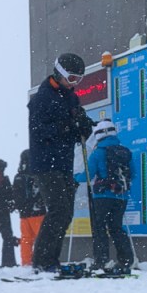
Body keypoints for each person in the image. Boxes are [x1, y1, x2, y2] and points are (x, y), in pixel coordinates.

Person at [28, 53, 95, 272]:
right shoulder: (42, 98)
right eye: (73, 79)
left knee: (66, 212)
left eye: (79, 80)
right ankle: (42, 260)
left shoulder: (71, 98)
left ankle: (51, 259)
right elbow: (39, 131)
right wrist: (66, 126)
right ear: (60, 74)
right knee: (58, 208)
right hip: (46, 162)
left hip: (63, 161)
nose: (74, 84)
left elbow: (76, 127)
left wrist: (83, 126)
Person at [85, 120, 136, 273]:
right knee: (116, 227)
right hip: (121, 196)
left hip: (102, 196)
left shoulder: (98, 152)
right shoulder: (125, 151)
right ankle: (126, 259)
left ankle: (101, 260)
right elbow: (132, 174)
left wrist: (73, 178)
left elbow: (87, 175)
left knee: (99, 227)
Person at [12, 149, 46, 266]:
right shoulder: (36, 175)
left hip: (23, 214)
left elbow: (15, 195)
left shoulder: (18, 176)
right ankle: (41, 261)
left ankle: (26, 262)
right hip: (37, 213)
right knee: (41, 238)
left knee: (26, 239)